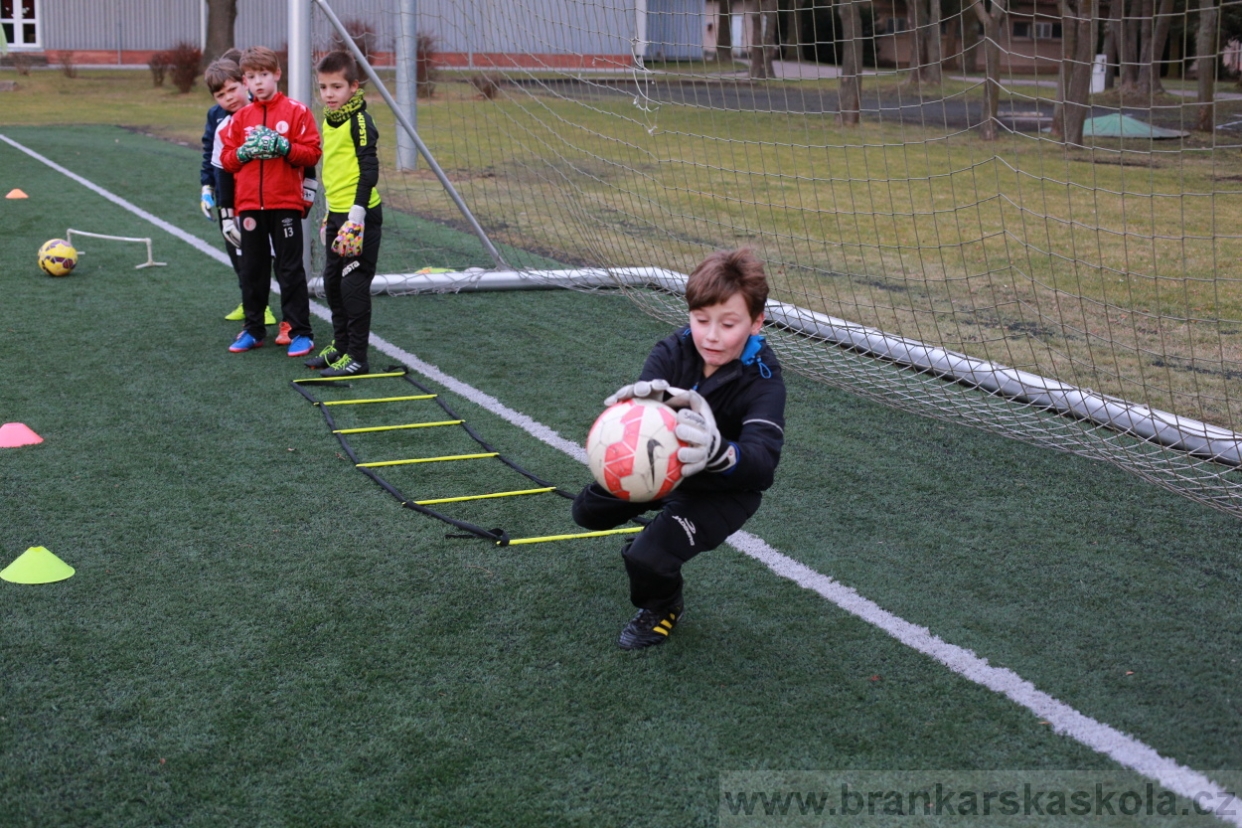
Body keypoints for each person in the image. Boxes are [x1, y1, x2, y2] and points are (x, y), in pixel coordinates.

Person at [572, 249, 786, 650]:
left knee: (645, 558)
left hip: (725, 490)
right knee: (587, 512)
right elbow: (638, 421)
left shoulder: (764, 379)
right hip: (664, 468)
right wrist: (641, 410)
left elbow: (762, 466)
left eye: (728, 323)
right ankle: (660, 526)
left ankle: (664, 605)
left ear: (757, 322)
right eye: (701, 319)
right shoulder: (673, 350)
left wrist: (718, 452)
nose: (711, 335)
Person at [219, 45, 321, 357]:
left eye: (264, 74)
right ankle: (253, 329)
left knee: (290, 268)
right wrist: (242, 153)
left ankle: (299, 330)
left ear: (277, 74)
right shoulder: (240, 119)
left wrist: (284, 147)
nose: (259, 82)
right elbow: (226, 159)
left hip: (285, 203)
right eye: (251, 77)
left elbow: (312, 153)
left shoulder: (296, 111)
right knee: (253, 268)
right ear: (245, 81)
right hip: (249, 205)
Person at [304, 50, 384, 378]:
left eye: (336, 87)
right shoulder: (329, 117)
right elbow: (335, 169)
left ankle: (357, 356)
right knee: (333, 283)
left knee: (353, 286)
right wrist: (330, 215)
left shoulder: (360, 120)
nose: (329, 94)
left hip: (360, 218)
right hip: (337, 216)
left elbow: (369, 171)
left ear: (353, 86)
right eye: (323, 87)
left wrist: (356, 215)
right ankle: (339, 346)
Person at [199, 52, 275, 328]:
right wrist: (206, 188)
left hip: (260, 197)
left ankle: (264, 306)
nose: (229, 97)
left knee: (262, 254)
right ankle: (249, 302)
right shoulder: (216, 116)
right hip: (228, 197)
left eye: (233, 89)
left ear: (244, 84)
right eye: (222, 93)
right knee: (236, 250)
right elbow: (211, 153)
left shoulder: (264, 109)